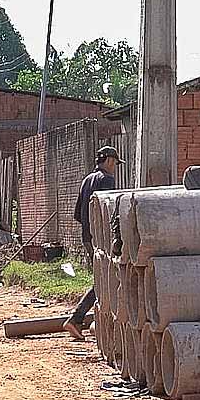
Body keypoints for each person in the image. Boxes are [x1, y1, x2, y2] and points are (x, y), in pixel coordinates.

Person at [63, 145, 122, 341]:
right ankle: (76, 319)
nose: (115, 167)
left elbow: (78, 213)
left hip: (88, 237)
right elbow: (110, 212)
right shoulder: (107, 180)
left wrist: (89, 230)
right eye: (115, 163)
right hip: (101, 238)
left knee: (103, 279)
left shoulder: (87, 180)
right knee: (105, 280)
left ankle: (87, 320)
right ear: (110, 161)